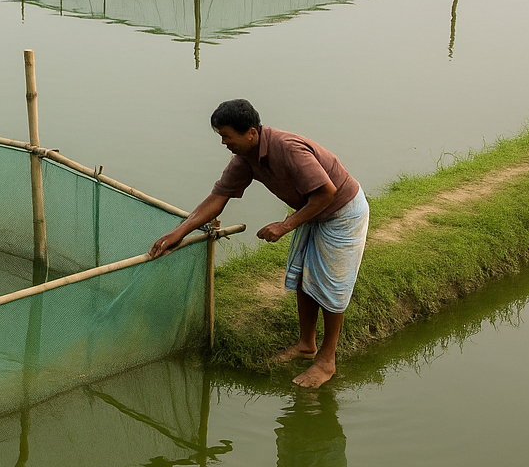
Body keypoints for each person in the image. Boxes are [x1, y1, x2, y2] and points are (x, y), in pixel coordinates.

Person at [149, 99, 368, 388]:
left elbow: (327, 192)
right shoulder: (245, 158)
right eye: (221, 136)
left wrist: (285, 225)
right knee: (305, 277)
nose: (224, 142)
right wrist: (180, 232)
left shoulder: (289, 149)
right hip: (313, 212)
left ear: (251, 132)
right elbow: (218, 198)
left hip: (341, 212)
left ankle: (327, 360)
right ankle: (306, 344)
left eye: (227, 136)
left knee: (332, 285)